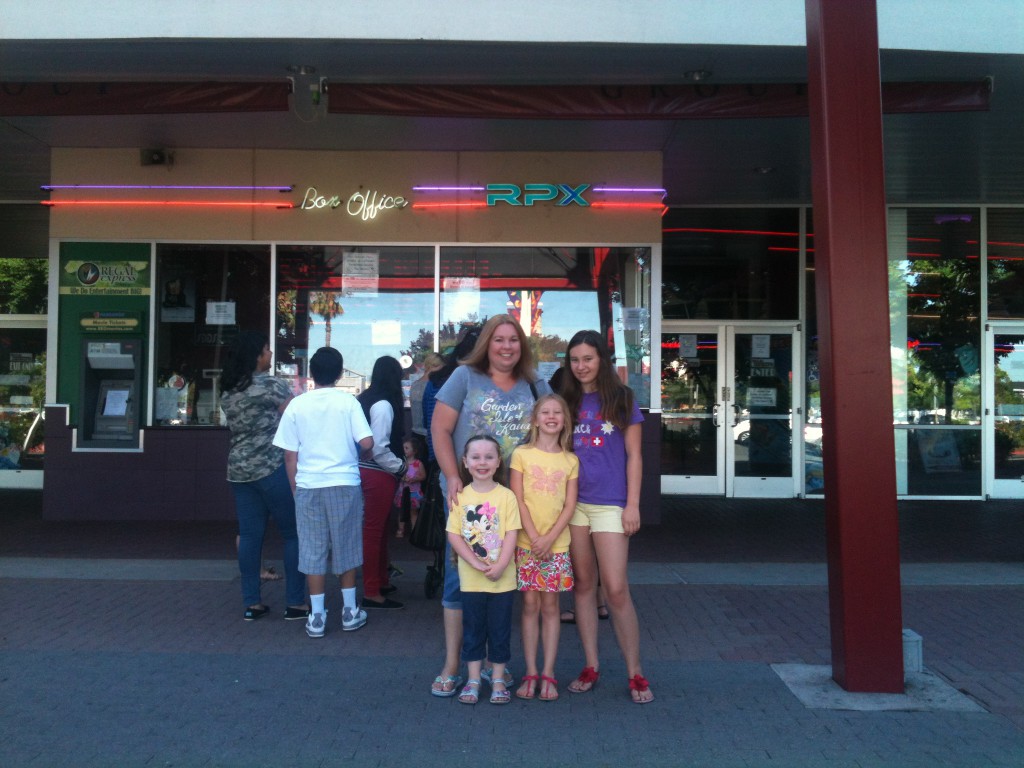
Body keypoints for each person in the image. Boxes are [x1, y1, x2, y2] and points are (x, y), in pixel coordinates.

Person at [429, 315, 551, 697]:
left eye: (513, 340)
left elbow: (554, 425)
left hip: (516, 500)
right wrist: (452, 475)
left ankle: (494, 666)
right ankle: (453, 665)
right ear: (487, 343)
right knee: (459, 581)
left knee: (503, 583)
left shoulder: (534, 383)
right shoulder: (465, 377)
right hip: (471, 498)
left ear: (522, 346)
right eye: (498, 340)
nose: (506, 347)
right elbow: (440, 429)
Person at [560, 329, 654, 704]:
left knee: (614, 588)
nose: (581, 366)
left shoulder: (622, 399)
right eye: (575, 359)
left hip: (611, 504)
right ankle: (591, 665)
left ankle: (636, 673)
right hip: (573, 505)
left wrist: (633, 505)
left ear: (601, 358)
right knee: (583, 586)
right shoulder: (564, 400)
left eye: (588, 358)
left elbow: (635, 456)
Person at [272, 347, 374, 638]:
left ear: (311, 374)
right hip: (344, 482)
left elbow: (289, 456)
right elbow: (366, 441)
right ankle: (349, 611)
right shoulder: (348, 403)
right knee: (347, 545)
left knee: (312, 549)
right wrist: (360, 452)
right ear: (340, 373)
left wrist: (296, 490)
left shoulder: (297, 405)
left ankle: (316, 617)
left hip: (308, 485)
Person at [221, 331, 307, 622]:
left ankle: (251, 603)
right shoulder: (271, 385)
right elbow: (297, 417)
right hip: (272, 467)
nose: (271, 354)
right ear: (257, 355)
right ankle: (295, 603)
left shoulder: (229, 387)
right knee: (292, 533)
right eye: (267, 349)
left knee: (249, 535)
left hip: (239, 470)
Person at [509, 394, 579, 701]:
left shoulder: (570, 460)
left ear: (565, 421)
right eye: (545, 412)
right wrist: (535, 536)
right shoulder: (521, 454)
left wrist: (549, 539)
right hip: (527, 544)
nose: (551, 417)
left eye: (558, 413)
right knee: (529, 607)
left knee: (551, 608)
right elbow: (518, 499)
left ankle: (549, 673)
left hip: (557, 546)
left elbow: (570, 504)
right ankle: (531, 671)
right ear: (535, 419)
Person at [445, 434, 521, 705]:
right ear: (465, 462)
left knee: (500, 630)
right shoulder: (460, 497)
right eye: (475, 457)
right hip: (472, 581)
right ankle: (474, 679)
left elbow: (512, 533)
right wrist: (474, 562)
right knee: (473, 629)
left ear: (498, 461)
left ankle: (498, 678)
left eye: (489, 456)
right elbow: (454, 535)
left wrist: (501, 565)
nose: (482, 462)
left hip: (503, 581)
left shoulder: (507, 497)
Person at [356, 355, 407, 609]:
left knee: (378, 529)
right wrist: (400, 467)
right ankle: (372, 590)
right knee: (374, 530)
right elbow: (379, 448)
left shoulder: (363, 399)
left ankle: (381, 580)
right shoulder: (384, 405)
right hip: (379, 473)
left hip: (364, 471)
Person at [394, 436, 427, 538]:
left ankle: (414, 531)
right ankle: (401, 529)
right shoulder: (402, 463)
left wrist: (414, 479)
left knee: (413, 512)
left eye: (407, 448)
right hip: (403, 491)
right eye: (404, 448)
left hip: (414, 492)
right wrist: (402, 477)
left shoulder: (418, 464)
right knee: (402, 512)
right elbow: (398, 474)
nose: (404, 450)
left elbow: (423, 476)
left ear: (415, 451)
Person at [410, 353, 444, 438]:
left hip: (415, 432)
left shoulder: (414, 385)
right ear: (435, 366)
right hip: (430, 433)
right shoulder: (434, 386)